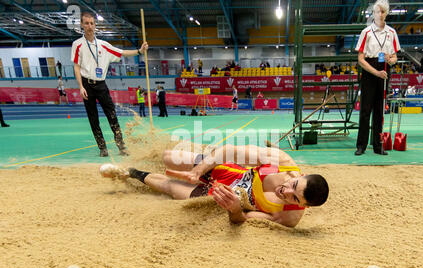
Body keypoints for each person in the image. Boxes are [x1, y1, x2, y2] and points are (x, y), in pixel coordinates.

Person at [100, 144, 329, 228]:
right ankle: (197, 156)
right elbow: (229, 151)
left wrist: (235, 210)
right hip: (228, 170)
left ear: (304, 207)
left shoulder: (288, 217)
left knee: (172, 188)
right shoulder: (281, 162)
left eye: (294, 197)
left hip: (220, 194)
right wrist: (198, 171)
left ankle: (130, 173)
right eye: (294, 184)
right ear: (302, 174)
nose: (286, 191)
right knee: (169, 157)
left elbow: (245, 219)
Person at [71, 11, 148, 157]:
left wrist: (139, 51)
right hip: (87, 85)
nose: (89, 26)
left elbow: (122, 52)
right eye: (86, 23)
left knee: (112, 115)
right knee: (93, 119)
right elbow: (76, 66)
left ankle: (121, 146)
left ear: (95, 25)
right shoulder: (77, 45)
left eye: (92, 23)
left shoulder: (103, 45)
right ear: (82, 25)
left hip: (101, 85)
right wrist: (80, 86)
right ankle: (102, 148)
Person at [354, 0, 400, 156]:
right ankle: (361, 145)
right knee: (365, 111)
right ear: (373, 13)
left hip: (384, 72)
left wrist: (390, 60)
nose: (379, 15)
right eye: (377, 12)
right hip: (370, 71)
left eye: (382, 12)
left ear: (386, 13)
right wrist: (376, 72)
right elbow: (360, 59)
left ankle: (378, 145)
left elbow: (395, 58)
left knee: (380, 111)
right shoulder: (366, 32)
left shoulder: (391, 33)